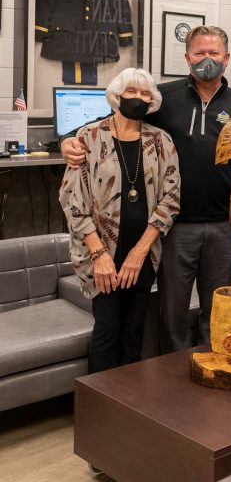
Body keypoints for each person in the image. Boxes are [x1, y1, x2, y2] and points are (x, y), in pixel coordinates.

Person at [60, 25, 231, 350]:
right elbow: (110, 122)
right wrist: (65, 141)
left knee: (219, 313)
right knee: (173, 315)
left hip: (226, 226)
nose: (206, 59)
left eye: (213, 53)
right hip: (174, 229)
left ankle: (214, 377)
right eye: (199, 53)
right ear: (187, 57)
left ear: (227, 58)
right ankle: (175, 384)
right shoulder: (164, 99)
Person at [59, 68, 180, 373]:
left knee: (133, 333)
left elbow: (171, 199)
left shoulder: (162, 141)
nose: (138, 98)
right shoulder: (89, 137)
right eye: (131, 92)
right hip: (101, 254)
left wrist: (139, 253)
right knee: (107, 332)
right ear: (116, 96)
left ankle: (125, 408)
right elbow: (73, 202)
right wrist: (99, 255)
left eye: (144, 94)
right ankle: (97, 411)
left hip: (143, 253)